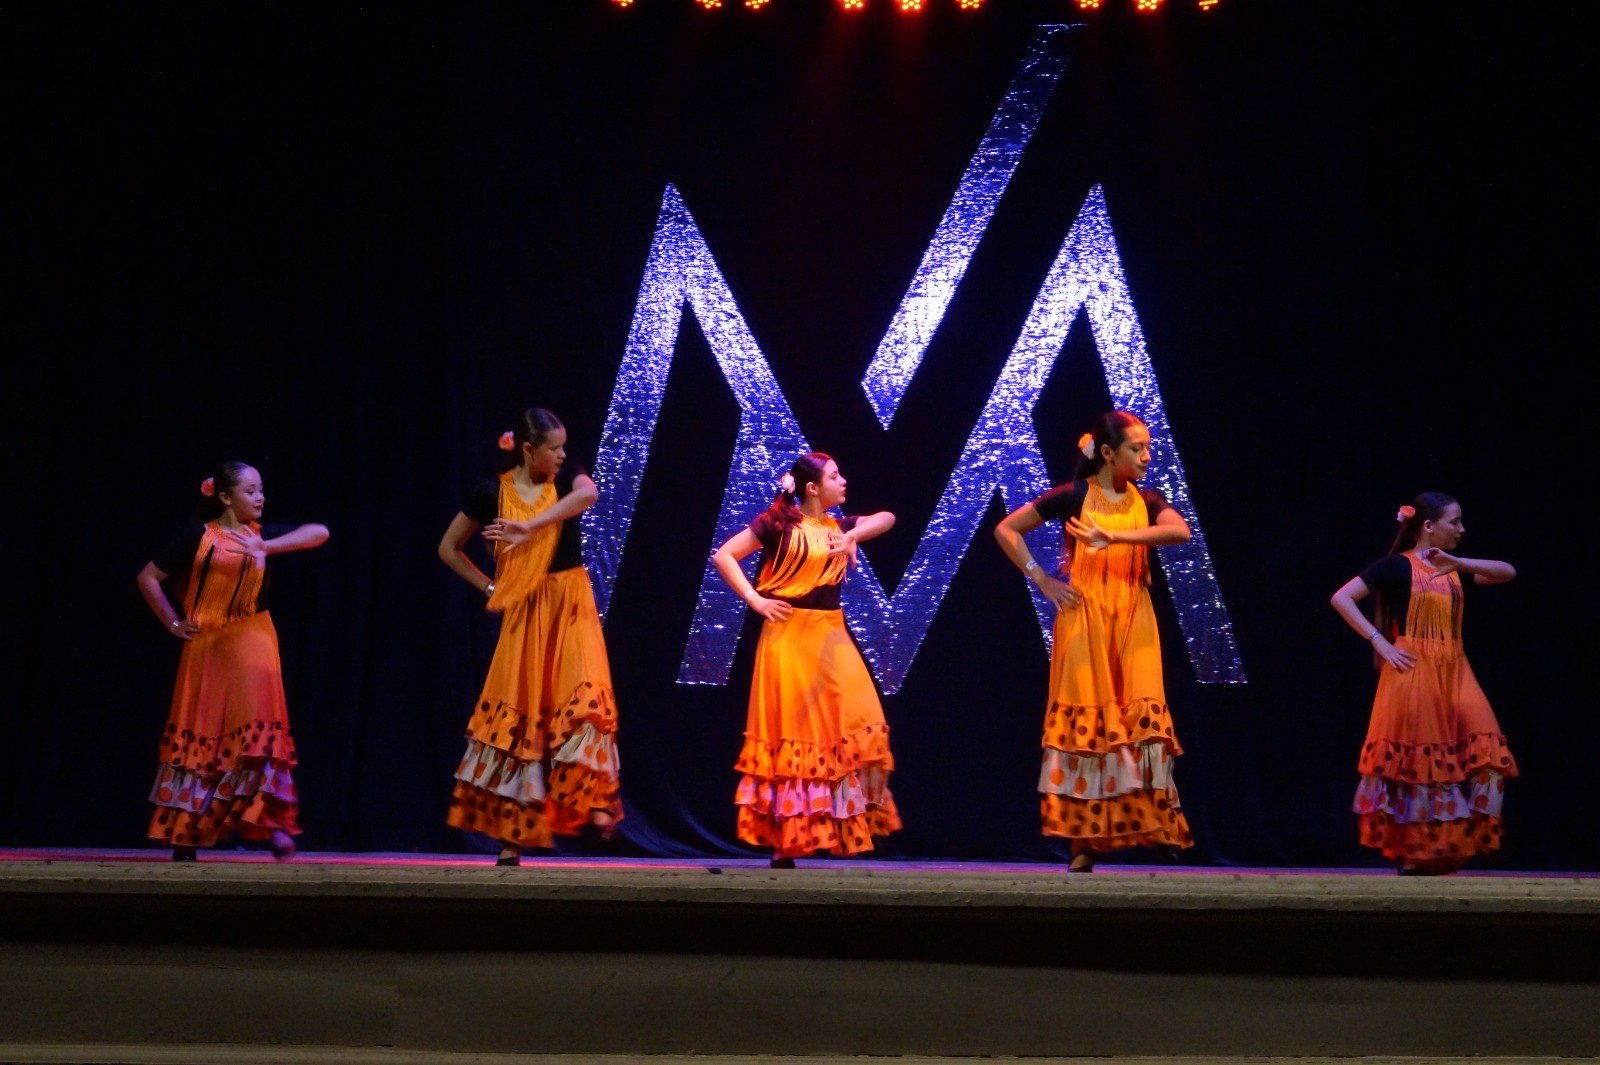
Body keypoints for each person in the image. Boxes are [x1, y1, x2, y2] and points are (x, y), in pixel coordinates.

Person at [994, 410, 1194, 871]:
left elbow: (1179, 531)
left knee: (1144, 719)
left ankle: (1156, 825)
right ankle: (1083, 843)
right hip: (1085, 614)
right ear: (1107, 452)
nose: (1146, 456)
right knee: (1092, 723)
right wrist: (1043, 579)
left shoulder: (1147, 499)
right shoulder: (1074, 494)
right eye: (1136, 448)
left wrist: (1115, 536)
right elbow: (1006, 529)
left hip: (1133, 613)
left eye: (1147, 447)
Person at [439, 408, 621, 865]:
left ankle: (595, 799)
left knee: (585, 700)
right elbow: (448, 547)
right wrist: (489, 587)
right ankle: (512, 837)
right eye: (553, 448)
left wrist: (531, 526)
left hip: (571, 602)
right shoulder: (492, 492)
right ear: (527, 450)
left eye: (563, 447)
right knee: (520, 716)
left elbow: (588, 495)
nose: (562, 455)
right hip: (525, 607)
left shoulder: (568, 477)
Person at [711, 452, 899, 868]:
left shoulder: (838, 527)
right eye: (834, 476)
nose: (843, 480)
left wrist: (854, 536)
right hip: (789, 636)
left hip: (831, 635)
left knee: (860, 718)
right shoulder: (778, 525)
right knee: (798, 734)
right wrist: (755, 599)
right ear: (813, 488)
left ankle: (838, 824)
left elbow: (887, 518)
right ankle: (789, 840)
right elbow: (724, 555)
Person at [135, 462, 329, 861]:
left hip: (253, 639)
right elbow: (148, 577)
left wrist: (267, 548)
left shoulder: (262, 535)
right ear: (225, 497)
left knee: (258, 735)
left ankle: (271, 825)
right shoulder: (198, 537)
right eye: (250, 491)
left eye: (261, 490)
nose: (260, 498)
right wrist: (173, 622)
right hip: (207, 644)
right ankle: (187, 833)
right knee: (202, 733)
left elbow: (320, 532)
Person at [1329, 493, 1517, 874]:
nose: (1461, 529)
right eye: (1454, 522)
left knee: (1488, 751)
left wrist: (1458, 563)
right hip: (1414, 669)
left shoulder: (1454, 567)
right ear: (1428, 526)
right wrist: (1379, 641)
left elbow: (1506, 571)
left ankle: (1458, 841)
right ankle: (1421, 853)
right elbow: (1342, 597)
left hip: (1454, 667)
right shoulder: (1396, 566)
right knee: (1424, 764)